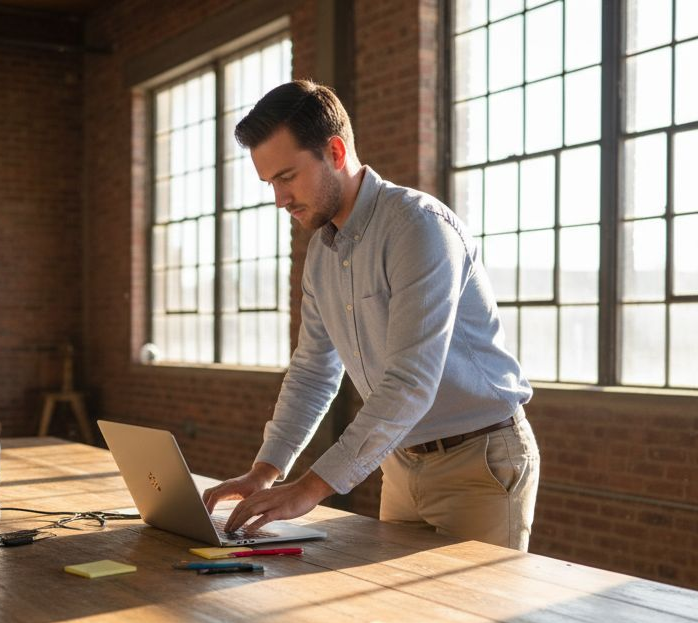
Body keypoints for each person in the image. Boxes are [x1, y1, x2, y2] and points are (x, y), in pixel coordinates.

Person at [201, 80, 540, 550]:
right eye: (270, 184)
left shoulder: (418, 228)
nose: (279, 199)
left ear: (335, 152)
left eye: (286, 177)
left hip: (478, 463)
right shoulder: (321, 254)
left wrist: (310, 488)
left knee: (472, 602)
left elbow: (410, 382)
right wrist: (266, 470)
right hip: (398, 462)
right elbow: (312, 372)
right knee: (392, 600)